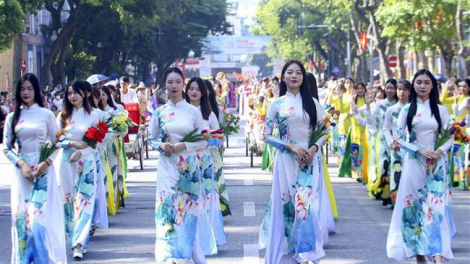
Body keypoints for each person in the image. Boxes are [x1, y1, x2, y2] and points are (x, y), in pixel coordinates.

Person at [259, 60, 327, 264]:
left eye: (298, 72)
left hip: (309, 161)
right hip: (286, 161)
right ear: (283, 77)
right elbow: (266, 135)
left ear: (303, 77)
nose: (294, 76)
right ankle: (289, 251)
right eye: (290, 72)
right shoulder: (276, 104)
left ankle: (305, 253)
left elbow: (324, 131)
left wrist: (313, 149)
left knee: (305, 205)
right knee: (289, 204)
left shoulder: (313, 103)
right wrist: (291, 147)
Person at [387, 69, 454, 264]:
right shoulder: (406, 110)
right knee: (413, 208)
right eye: (418, 83)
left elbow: (449, 136)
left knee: (436, 208)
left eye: (426, 82)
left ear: (433, 86)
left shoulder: (441, 110)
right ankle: (418, 254)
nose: (422, 86)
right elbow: (398, 138)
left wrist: (439, 152)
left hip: (436, 167)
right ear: (413, 86)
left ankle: (438, 254)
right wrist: (419, 150)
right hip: (414, 164)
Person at [3, 73, 66, 263]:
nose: (26, 92)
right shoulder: (12, 117)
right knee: (22, 223)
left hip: (43, 174)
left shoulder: (46, 115)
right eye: (22, 89)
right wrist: (21, 164)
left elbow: (57, 142)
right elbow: (6, 148)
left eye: (30, 88)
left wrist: (46, 163)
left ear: (36, 90)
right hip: (22, 175)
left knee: (38, 223)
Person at [149, 67, 207, 263]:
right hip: (166, 166)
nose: (174, 86)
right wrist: (161, 145)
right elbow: (151, 139)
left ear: (183, 84)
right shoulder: (159, 112)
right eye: (170, 82)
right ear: (164, 85)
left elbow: (204, 140)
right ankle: (168, 255)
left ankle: (184, 254)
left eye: (177, 82)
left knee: (188, 211)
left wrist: (183, 145)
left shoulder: (193, 112)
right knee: (166, 210)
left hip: (188, 169)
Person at [56, 80, 100, 260]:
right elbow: (56, 140)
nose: (72, 96)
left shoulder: (94, 115)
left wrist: (81, 152)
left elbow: (95, 143)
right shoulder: (62, 116)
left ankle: (79, 243)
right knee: (68, 202)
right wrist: (72, 143)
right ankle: (73, 238)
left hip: (87, 163)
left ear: (86, 94)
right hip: (67, 163)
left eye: (76, 92)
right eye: (69, 93)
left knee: (85, 202)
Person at [185, 77, 226, 254]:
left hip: (205, 160)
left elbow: (219, 137)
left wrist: (207, 140)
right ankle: (189, 238)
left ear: (203, 93)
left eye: (197, 89)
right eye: (191, 88)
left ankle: (208, 239)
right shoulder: (182, 112)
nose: (194, 92)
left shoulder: (209, 114)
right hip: (185, 161)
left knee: (206, 198)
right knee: (189, 197)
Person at [367, 79, 398, 206]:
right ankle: (382, 191)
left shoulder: (400, 104)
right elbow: (372, 122)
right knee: (383, 166)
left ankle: (391, 197)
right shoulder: (380, 104)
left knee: (394, 167)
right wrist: (369, 106)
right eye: (387, 88)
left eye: (392, 88)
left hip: (396, 140)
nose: (389, 90)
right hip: (382, 139)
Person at [382, 79, 411, 206]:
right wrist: (391, 143)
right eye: (399, 89)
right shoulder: (391, 110)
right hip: (397, 149)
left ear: (410, 91)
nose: (401, 92)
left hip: (411, 149)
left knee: (410, 175)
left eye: (404, 89)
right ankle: (396, 202)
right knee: (396, 174)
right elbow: (386, 128)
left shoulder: (413, 109)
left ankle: (409, 201)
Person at [451, 78, 470, 189]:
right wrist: (455, 100)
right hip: (467, 129)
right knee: (465, 155)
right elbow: (457, 113)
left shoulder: (467, 99)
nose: (462, 88)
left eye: (465, 86)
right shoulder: (465, 100)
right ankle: (465, 181)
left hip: (468, 129)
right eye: (461, 86)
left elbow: (457, 112)